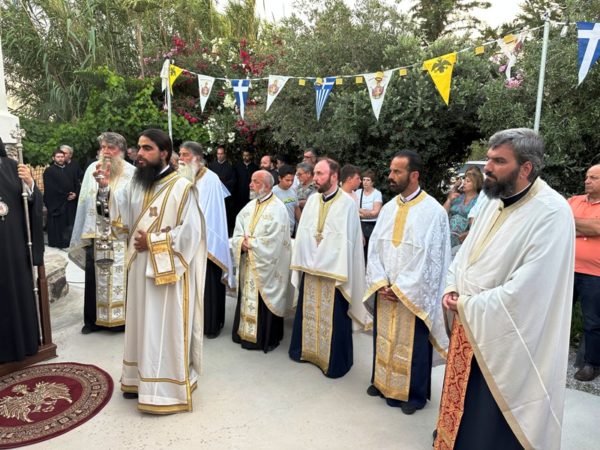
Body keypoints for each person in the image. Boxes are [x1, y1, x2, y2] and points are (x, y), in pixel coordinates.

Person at [434, 128, 575, 450]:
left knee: (489, 421)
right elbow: (465, 256)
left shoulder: (552, 212)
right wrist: (452, 285)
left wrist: (467, 305)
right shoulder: (493, 200)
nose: (487, 167)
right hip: (469, 322)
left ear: (526, 168)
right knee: (462, 412)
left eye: (499, 161)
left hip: (507, 338)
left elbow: (529, 292)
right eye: (489, 159)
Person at [94, 128, 206, 414]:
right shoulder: (137, 183)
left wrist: (155, 242)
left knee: (162, 327)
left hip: (166, 274)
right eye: (139, 148)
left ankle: (164, 390)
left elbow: (192, 234)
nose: (140, 154)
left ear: (164, 153)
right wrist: (105, 188)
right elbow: (120, 218)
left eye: (147, 148)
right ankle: (136, 379)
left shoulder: (182, 188)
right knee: (141, 325)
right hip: (138, 270)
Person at [364, 151, 451, 415]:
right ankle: (381, 382)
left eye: (397, 171)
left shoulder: (434, 212)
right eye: (391, 170)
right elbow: (375, 247)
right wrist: (381, 282)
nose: (390, 176)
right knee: (383, 337)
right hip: (385, 289)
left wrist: (401, 288)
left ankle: (413, 395)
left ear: (414, 175)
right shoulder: (388, 208)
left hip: (413, 295)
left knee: (413, 345)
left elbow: (433, 258)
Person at [289, 158, 368, 378]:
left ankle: (334, 362)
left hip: (334, 275)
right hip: (310, 270)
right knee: (308, 314)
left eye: (320, 174)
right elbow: (304, 233)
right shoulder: (312, 201)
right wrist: (307, 257)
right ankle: (304, 351)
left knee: (334, 319)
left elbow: (349, 243)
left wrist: (326, 258)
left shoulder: (347, 204)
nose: (315, 178)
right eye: (314, 173)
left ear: (334, 176)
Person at [70, 132, 135, 334]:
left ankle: (121, 322)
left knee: (121, 280)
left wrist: (107, 191)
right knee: (93, 280)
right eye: (104, 147)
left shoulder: (132, 173)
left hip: (120, 236)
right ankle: (92, 322)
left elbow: (132, 205)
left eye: (111, 148)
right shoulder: (92, 169)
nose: (106, 151)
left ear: (121, 151)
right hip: (96, 234)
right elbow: (84, 201)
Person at [230, 170, 292, 352]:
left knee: (261, 298)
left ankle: (263, 338)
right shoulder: (250, 206)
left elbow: (276, 240)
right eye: (251, 181)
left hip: (266, 266)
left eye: (255, 182)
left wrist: (251, 244)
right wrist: (240, 242)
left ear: (267, 185)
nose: (250, 185)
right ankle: (244, 333)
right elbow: (238, 228)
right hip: (249, 261)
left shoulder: (278, 208)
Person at [179, 141, 235, 339]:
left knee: (208, 285)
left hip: (207, 243)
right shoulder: (182, 177)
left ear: (196, 157)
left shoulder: (210, 179)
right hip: (185, 240)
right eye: (180, 154)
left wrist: (193, 234)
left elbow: (209, 215)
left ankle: (210, 325)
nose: (181, 159)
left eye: (185, 155)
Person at [0, 138, 44, 363]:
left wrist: (30, 183)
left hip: (15, 246)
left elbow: (33, 202)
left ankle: (24, 344)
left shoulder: (13, 167)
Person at [568, 164, 600, 381]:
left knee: (593, 321)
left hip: (595, 273)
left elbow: (598, 228)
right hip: (567, 269)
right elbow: (558, 224)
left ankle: (592, 364)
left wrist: (573, 225)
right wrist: (587, 227)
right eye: (587, 177)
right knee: (558, 315)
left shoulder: (571, 207)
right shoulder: (573, 201)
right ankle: (549, 355)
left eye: (593, 178)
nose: (587, 181)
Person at [43, 149, 79, 248]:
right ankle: (58, 243)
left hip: (70, 203)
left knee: (70, 223)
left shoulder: (70, 169)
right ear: (53, 158)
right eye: (58, 157)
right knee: (58, 225)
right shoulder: (49, 171)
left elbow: (76, 183)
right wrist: (66, 195)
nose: (60, 159)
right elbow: (51, 188)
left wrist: (75, 194)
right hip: (57, 203)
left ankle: (69, 242)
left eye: (62, 157)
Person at [443, 167, 483, 254]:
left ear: (475, 183)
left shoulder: (479, 201)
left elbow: (480, 223)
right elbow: (442, 215)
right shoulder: (457, 196)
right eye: (464, 180)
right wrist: (449, 200)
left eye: (468, 181)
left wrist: (469, 233)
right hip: (446, 237)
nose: (464, 183)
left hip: (463, 242)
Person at [208, 145, 236, 234]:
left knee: (225, 216)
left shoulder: (230, 167)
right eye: (218, 154)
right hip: (214, 197)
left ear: (225, 155)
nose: (219, 156)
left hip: (225, 198)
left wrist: (223, 186)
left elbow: (233, 181)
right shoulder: (212, 166)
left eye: (221, 154)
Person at [356, 169, 383, 262]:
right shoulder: (358, 192)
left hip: (373, 226)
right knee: (360, 252)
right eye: (364, 179)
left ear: (373, 182)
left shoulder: (377, 194)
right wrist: (366, 212)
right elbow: (354, 210)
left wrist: (360, 212)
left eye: (368, 180)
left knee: (371, 251)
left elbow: (375, 213)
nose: (365, 182)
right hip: (359, 225)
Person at [272, 164, 299, 236]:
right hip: (277, 232)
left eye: (292, 180)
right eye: (287, 180)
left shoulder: (293, 191)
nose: (290, 183)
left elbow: (296, 209)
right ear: (279, 178)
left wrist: (302, 224)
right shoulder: (273, 192)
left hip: (291, 230)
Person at [233, 149, 258, 218]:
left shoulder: (255, 167)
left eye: (247, 155)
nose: (245, 157)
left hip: (251, 194)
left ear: (250, 156)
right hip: (239, 194)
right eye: (244, 155)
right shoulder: (237, 167)